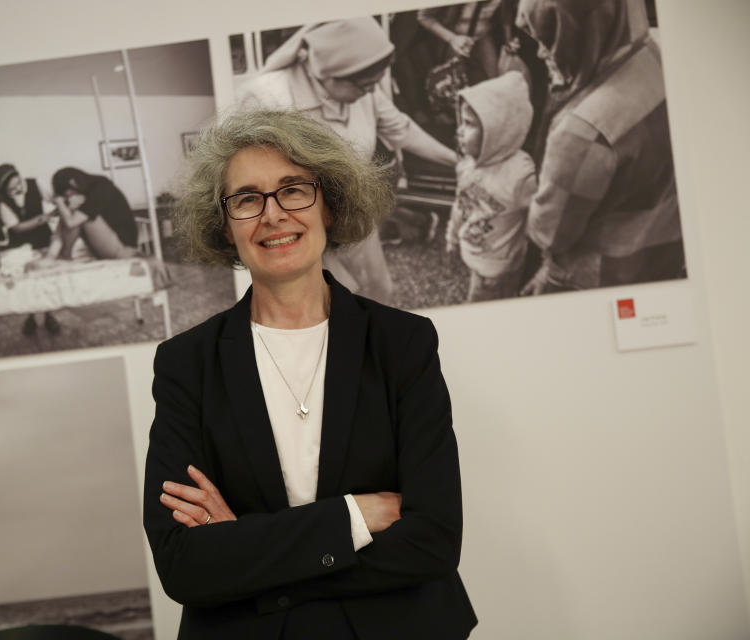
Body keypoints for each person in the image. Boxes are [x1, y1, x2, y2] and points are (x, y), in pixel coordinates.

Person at [143, 109, 476, 639]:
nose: (272, 214)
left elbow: (432, 539)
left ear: (330, 206)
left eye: (293, 189)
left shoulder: (403, 343)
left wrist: (247, 549)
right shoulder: (187, 364)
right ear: (225, 227)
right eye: (247, 199)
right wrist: (351, 519)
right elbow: (183, 563)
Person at [236, 17, 458, 306]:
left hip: (352, 218)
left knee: (378, 293)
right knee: (330, 306)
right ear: (329, 74)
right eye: (364, 86)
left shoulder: (363, 86)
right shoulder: (266, 98)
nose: (370, 92)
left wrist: (456, 161)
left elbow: (401, 129)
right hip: (295, 229)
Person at [517, 0, 684, 294]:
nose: (542, 52)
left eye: (549, 36)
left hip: (602, 275)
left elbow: (551, 234)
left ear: (582, 30)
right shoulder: (659, 49)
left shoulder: (582, 130)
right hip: (666, 248)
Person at [445, 71, 537, 301]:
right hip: (476, 251)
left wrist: (541, 261)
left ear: (497, 129)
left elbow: (539, 219)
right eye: (461, 121)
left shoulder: (520, 175)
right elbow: (461, 204)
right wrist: (452, 236)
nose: (459, 131)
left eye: (468, 124)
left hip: (499, 268)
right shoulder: (467, 165)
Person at [0, 163, 61, 336]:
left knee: (43, 277)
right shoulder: (3, 202)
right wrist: (44, 218)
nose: (18, 189)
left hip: (42, 239)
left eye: (19, 183)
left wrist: (59, 210)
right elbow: (17, 228)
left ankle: (49, 315)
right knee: (26, 281)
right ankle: (30, 316)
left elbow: (55, 200)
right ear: (4, 190)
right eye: (12, 189)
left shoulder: (37, 184)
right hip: (20, 245)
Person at [50, 167, 140, 260]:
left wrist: (60, 203)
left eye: (68, 195)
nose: (69, 199)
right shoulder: (93, 188)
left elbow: (71, 223)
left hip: (122, 250)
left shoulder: (101, 188)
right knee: (70, 212)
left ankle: (64, 256)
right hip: (113, 244)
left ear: (73, 183)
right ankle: (58, 255)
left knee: (74, 215)